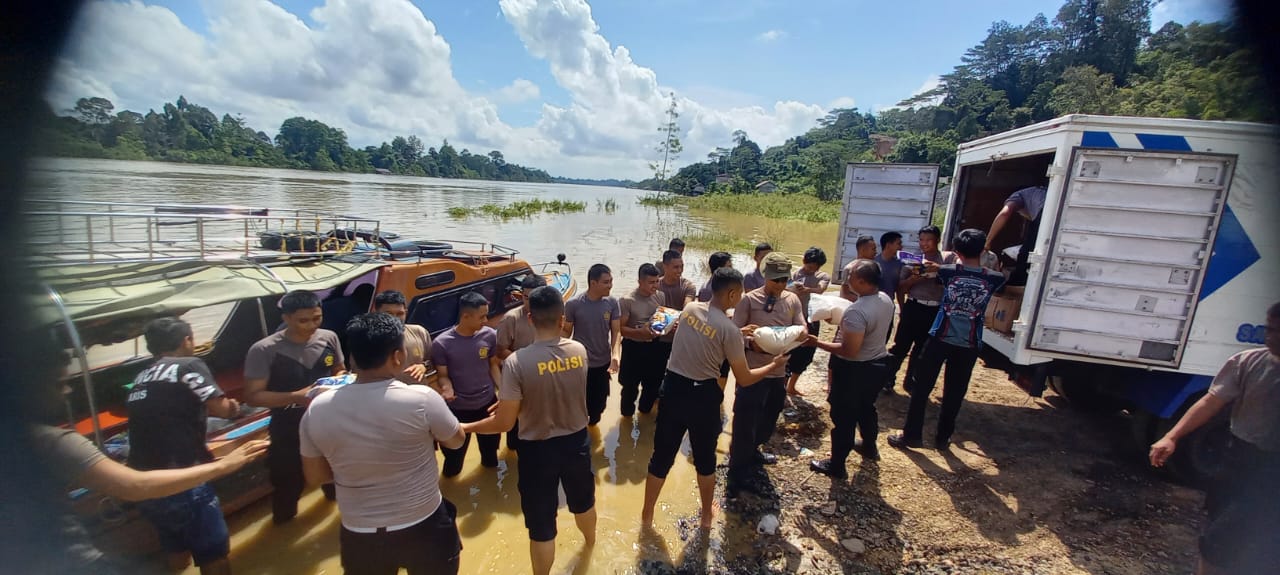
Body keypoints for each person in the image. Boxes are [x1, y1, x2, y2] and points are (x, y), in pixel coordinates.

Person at [300, 313, 467, 575]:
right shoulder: (421, 399)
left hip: (360, 532)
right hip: (423, 524)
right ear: (398, 356)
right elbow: (456, 442)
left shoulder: (317, 409)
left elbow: (316, 476)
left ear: (352, 356)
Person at [461, 286, 598, 575]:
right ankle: (589, 548)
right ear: (562, 319)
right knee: (583, 503)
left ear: (531, 319)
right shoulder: (579, 351)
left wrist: (467, 426)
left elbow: (504, 424)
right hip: (576, 442)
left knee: (542, 526)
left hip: (537, 451)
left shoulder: (516, 363)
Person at [641, 267, 789, 529]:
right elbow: (743, 378)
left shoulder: (689, 311)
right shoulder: (728, 331)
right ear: (732, 294)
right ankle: (707, 516)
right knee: (705, 460)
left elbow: (709, 329)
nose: (740, 299)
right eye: (739, 294)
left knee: (661, 457)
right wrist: (774, 364)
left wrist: (738, 332)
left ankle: (647, 515)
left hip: (673, 389)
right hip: (703, 397)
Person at [1149, 302, 1279, 575]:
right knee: (1219, 534)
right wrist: (1171, 437)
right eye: (1270, 329)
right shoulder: (1248, 362)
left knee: (1262, 541)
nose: (1272, 337)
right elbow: (1211, 402)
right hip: (1242, 461)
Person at [125, 318, 245, 574]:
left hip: (145, 482)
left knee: (175, 551)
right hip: (185, 479)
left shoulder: (141, 376)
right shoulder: (188, 364)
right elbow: (220, 409)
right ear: (186, 341)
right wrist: (235, 407)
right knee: (214, 555)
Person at [889, 229, 1005, 451]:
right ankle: (943, 439)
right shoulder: (994, 278)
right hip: (969, 343)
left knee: (922, 388)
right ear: (982, 250)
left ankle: (912, 436)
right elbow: (999, 281)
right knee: (954, 393)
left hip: (940, 337)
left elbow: (937, 271)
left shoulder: (947, 272)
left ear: (957, 250)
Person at [244, 289, 345, 524]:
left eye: (316, 318)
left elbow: (338, 368)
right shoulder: (264, 350)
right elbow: (253, 396)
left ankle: (333, 510)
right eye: (303, 320)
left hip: (326, 421)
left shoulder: (329, 337)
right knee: (288, 482)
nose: (311, 325)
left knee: (334, 475)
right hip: (287, 426)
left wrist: (340, 379)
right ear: (286, 318)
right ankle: (283, 524)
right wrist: (296, 397)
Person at [808, 260, 895, 478]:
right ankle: (869, 446)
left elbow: (849, 350)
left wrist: (815, 342)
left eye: (851, 277)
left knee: (844, 417)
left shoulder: (857, 312)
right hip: (878, 364)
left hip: (854, 371)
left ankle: (837, 465)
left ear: (863, 282)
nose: (847, 280)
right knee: (867, 408)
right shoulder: (885, 299)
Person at [728, 252, 806, 493]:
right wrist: (752, 343)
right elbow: (733, 333)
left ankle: (754, 452)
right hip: (753, 372)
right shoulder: (749, 301)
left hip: (778, 372)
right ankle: (738, 474)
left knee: (769, 418)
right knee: (745, 423)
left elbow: (802, 325)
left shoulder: (792, 300)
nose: (780, 285)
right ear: (765, 277)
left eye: (784, 280)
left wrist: (801, 334)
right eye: (776, 280)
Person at [431, 292, 502, 476]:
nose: (486, 320)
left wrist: (503, 392)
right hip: (458, 409)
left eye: (487, 315)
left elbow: (493, 365)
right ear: (465, 316)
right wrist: (447, 388)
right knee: (453, 462)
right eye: (482, 316)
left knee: (491, 458)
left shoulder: (490, 336)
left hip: (487, 406)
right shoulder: (442, 343)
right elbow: (443, 375)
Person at [888, 226, 952, 393]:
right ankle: (887, 379)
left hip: (934, 310)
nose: (924, 244)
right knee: (900, 346)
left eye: (928, 240)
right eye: (921, 240)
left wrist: (939, 269)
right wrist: (914, 278)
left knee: (921, 349)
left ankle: (911, 383)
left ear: (937, 240)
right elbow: (900, 287)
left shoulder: (946, 260)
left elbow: (954, 281)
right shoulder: (912, 259)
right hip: (914, 306)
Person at [562, 264, 622, 426]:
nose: (610, 285)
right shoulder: (573, 304)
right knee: (578, 405)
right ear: (593, 283)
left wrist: (615, 355)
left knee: (599, 407)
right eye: (606, 282)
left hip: (603, 363)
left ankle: (592, 424)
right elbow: (566, 332)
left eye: (611, 281)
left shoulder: (612, 303)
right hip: (580, 363)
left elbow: (616, 332)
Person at [496, 274, 549, 451]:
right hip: (518, 378)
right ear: (521, 296)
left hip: (543, 376)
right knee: (515, 428)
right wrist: (525, 363)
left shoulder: (551, 315)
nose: (531, 303)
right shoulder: (511, 318)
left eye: (536, 298)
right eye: (527, 298)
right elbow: (500, 351)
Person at [617, 263, 667, 416]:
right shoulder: (627, 300)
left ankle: (644, 414)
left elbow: (661, 320)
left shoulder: (660, 296)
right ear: (640, 282)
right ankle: (625, 422)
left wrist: (669, 324)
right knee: (629, 388)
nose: (655, 285)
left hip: (654, 347)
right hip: (633, 348)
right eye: (651, 282)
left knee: (652, 386)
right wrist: (640, 333)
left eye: (657, 281)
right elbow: (620, 329)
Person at [785, 247, 831, 396]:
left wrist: (807, 289)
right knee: (788, 352)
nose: (810, 269)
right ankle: (783, 388)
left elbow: (821, 289)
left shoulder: (822, 276)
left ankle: (791, 386)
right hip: (792, 319)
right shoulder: (795, 273)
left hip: (811, 319)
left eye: (814, 267)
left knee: (806, 354)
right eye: (808, 265)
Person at [986, 185, 1047, 286]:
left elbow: (1005, 213)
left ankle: (1016, 283)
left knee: (1024, 254)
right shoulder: (1038, 193)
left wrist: (988, 241)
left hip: (1044, 213)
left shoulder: (1017, 196)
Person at [372, 290, 432, 386]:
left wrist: (423, 366)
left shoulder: (419, 332)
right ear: (376, 313)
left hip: (418, 395)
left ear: (406, 312)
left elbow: (432, 361)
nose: (395, 318)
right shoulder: (368, 339)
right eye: (389, 314)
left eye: (400, 314)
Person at [655, 249, 697, 381]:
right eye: (676, 267)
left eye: (681, 267)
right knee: (655, 376)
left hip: (678, 338)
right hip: (657, 338)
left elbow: (687, 307)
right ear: (665, 267)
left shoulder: (688, 286)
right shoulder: (655, 286)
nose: (679, 270)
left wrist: (678, 320)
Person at [697, 251, 736, 390]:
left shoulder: (719, 287)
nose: (732, 269)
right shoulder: (709, 290)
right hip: (714, 339)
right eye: (729, 266)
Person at [839, 236, 877, 302]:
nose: (876, 252)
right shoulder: (850, 269)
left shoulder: (874, 268)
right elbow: (845, 294)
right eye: (873, 249)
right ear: (862, 250)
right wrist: (866, 302)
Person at [877, 232, 905, 305]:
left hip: (889, 305)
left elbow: (900, 289)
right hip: (873, 304)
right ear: (888, 245)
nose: (901, 247)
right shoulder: (873, 263)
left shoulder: (900, 264)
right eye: (898, 244)